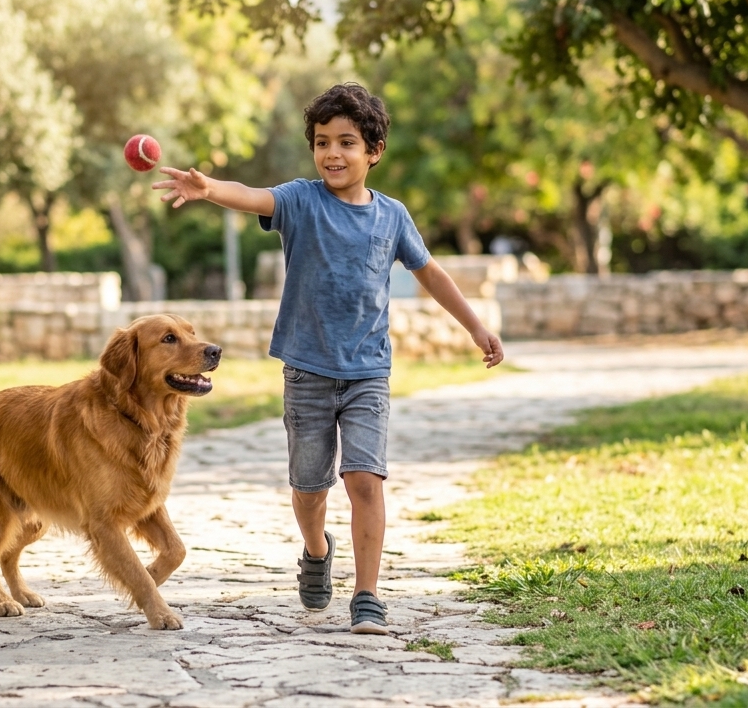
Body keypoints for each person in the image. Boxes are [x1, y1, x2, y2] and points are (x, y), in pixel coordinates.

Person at [152, 82, 504, 635]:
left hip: (367, 372)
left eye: (346, 142)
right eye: (322, 142)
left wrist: (477, 326)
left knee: (365, 480)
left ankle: (367, 595)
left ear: (374, 151)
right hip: (308, 370)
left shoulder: (392, 217)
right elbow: (253, 195)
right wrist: (210, 188)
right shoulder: (302, 200)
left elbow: (430, 273)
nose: (332, 154)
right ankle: (316, 551)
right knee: (309, 488)